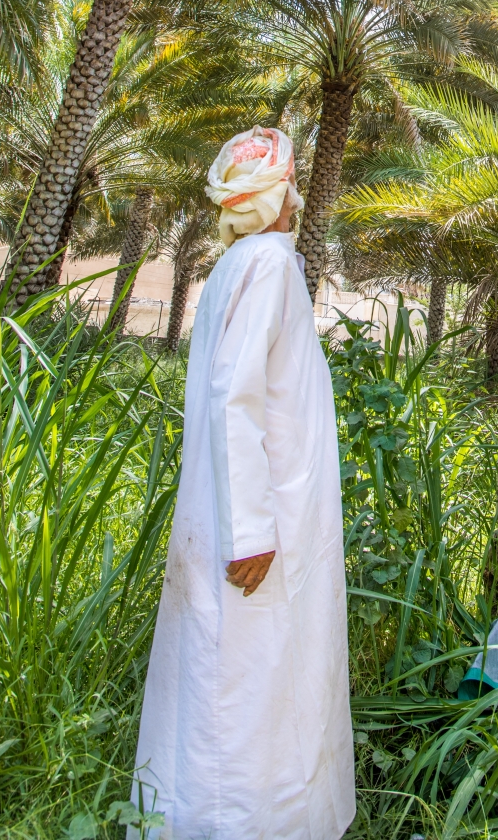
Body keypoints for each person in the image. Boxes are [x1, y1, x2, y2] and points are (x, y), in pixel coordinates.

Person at [129, 128, 355, 840]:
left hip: (251, 510)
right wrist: (252, 532)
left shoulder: (238, 264)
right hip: (261, 524)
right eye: (291, 186)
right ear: (277, 197)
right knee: (253, 687)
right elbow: (236, 395)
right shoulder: (269, 266)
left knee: (232, 680)